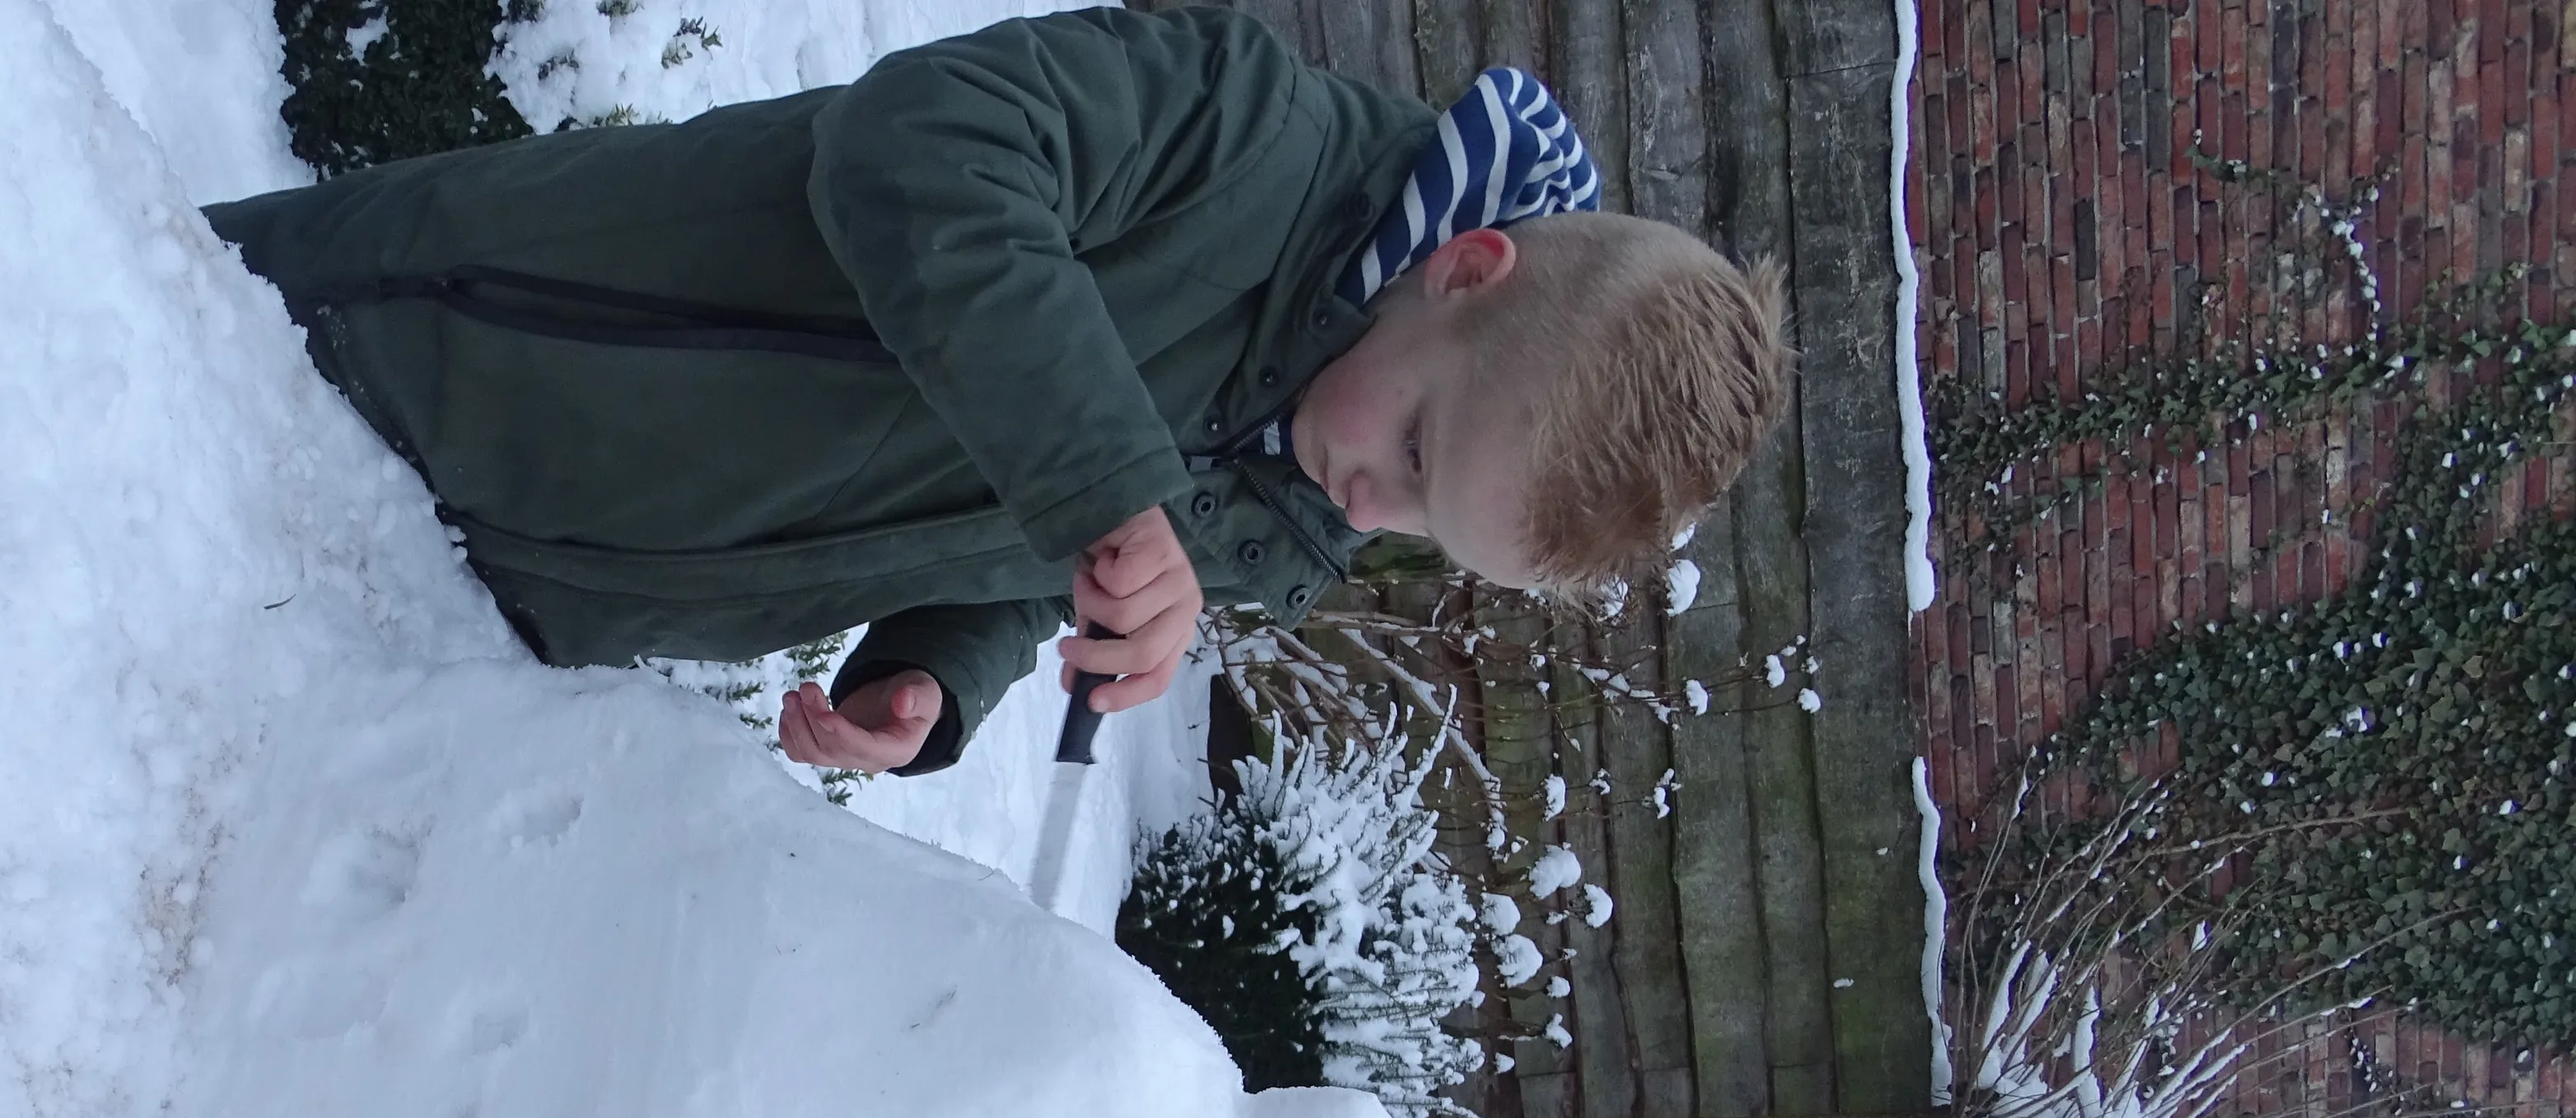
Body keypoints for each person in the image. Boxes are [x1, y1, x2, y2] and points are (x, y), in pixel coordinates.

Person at [203, 6, 1788, 776]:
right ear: (1466, 268)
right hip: (394, 347)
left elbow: (1030, 562)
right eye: (1420, 448)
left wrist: (940, 680)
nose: (1370, 506)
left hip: (499, 599)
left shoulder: (1289, 513)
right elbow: (922, 148)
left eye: (1422, 525)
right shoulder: (1242, 144)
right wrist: (1105, 484)